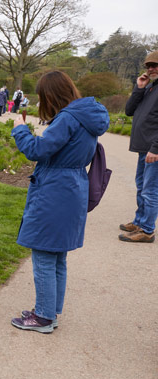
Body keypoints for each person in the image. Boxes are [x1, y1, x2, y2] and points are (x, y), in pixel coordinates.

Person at [9, 70, 109, 333]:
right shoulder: (86, 116)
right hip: (73, 187)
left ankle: (42, 317)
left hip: (55, 190)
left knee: (43, 253)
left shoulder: (67, 118)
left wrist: (20, 131)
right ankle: (49, 311)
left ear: (51, 95)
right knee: (57, 256)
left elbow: (37, 151)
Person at [118, 50, 158, 243]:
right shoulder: (150, 88)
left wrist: (156, 148)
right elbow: (129, 111)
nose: (151, 69)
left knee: (150, 190)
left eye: (155, 65)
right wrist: (139, 88)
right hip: (145, 148)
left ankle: (147, 230)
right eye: (148, 66)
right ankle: (140, 221)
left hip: (154, 150)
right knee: (142, 187)